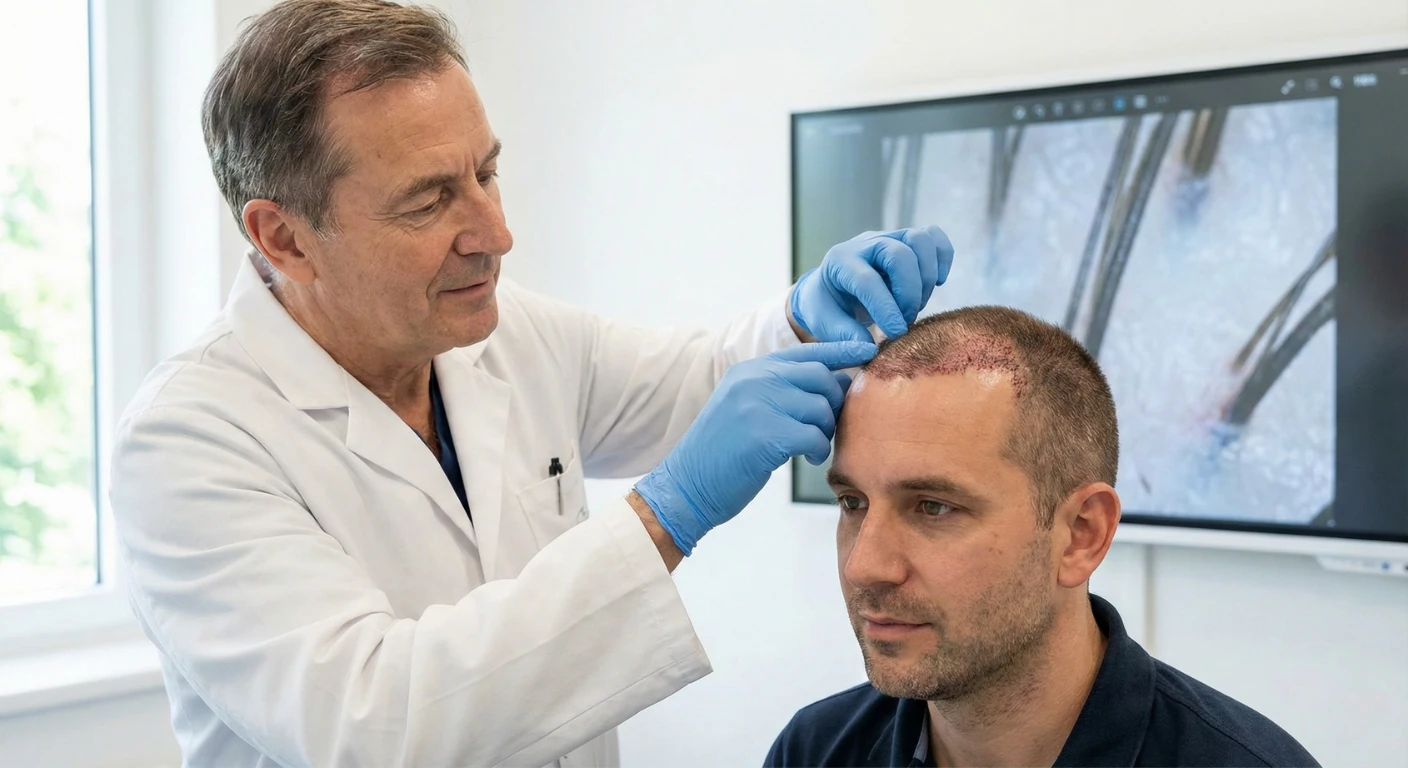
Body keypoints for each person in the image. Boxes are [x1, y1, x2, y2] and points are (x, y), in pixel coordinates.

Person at [108, 1, 955, 766]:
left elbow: (699, 385)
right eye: (429, 199)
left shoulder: (503, 334)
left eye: (486, 172)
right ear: (284, 237)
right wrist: (667, 514)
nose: (495, 234)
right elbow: (374, 723)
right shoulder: (189, 442)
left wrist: (806, 316)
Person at [766, 306, 1319, 768]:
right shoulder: (815, 751)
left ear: (1082, 534)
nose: (865, 566)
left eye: (933, 507)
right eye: (852, 503)